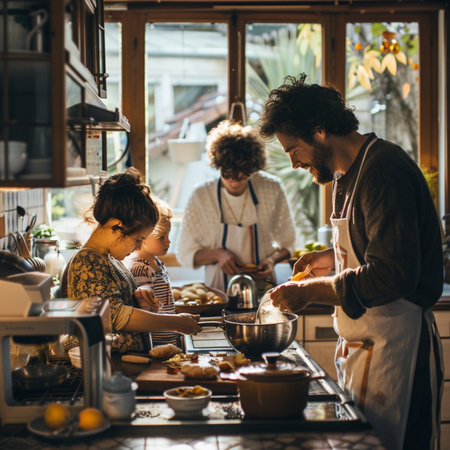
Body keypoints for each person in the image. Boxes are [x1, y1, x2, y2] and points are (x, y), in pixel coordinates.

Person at [259, 74, 444, 450]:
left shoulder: (383, 170)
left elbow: (394, 274)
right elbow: (375, 245)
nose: (294, 163)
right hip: (366, 348)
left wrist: (311, 291)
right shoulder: (345, 177)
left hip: (399, 351)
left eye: (294, 149)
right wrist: (331, 258)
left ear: (319, 130)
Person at [60, 168, 201, 354]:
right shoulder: (87, 261)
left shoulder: (111, 260)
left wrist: (142, 302)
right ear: (116, 226)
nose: (138, 248)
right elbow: (115, 316)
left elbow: (121, 306)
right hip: (109, 366)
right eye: (137, 239)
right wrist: (177, 323)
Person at [176, 120, 296, 294]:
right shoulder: (201, 196)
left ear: (252, 168)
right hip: (218, 292)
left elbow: (289, 244)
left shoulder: (271, 188)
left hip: (264, 289)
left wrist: (271, 260)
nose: (234, 179)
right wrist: (218, 255)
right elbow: (185, 254)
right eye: (227, 174)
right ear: (218, 165)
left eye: (242, 174)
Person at [125, 197, 179, 347]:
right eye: (161, 237)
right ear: (143, 236)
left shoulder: (156, 263)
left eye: (168, 235)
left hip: (168, 337)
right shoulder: (141, 268)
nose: (168, 242)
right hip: (156, 342)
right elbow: (146, 308)